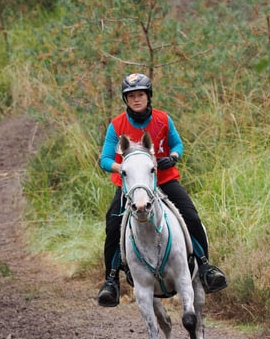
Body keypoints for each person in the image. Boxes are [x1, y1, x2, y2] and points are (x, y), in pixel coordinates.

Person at [96, 72, 228, 307]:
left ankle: (206, 267)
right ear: (126, 100)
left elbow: (177, 143)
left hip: (164, 179)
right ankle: (111, 281)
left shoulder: (163, 119)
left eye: (140, 95)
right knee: (113, 223)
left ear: (148, 97)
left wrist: (174, 156)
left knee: (190, 215)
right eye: (131, 96)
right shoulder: (116, 125)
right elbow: (105, 159)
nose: (136, 100)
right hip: (131, 186)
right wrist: (123, 167)